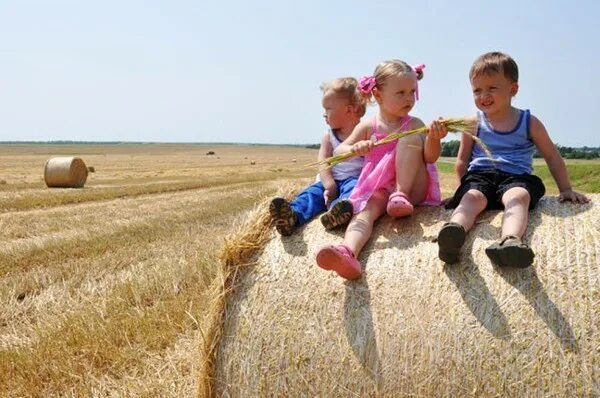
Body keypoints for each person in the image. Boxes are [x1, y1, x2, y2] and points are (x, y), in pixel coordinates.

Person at [438, 51, 590, 268]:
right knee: (471, 198)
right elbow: (462, 161)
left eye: (492, 88)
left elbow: (552, 156)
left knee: (518, 197)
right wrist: (459, 192)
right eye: (477, 90)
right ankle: (453, 233)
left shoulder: (529, 122)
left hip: (515, 178)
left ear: (513, 89)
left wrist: (566, 188)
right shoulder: (472, 123)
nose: (483, 95)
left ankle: (510, 242)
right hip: (480, 177)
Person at [315, 59, 446, 280]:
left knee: (410, 140)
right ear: (377, 95)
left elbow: (430, 157)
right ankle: (348, 252)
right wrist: (355, 147)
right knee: (363, 214)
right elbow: (339, 152)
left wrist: (434, 139)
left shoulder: (414, 124)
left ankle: (400, 195)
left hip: (413, 188)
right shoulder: (368, 125)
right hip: (381, 189)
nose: (409, 98)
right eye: (401, 92)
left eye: (412, 92)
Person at [270, 77, 366, 236]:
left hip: (354, 180)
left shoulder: (366, 132)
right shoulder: (329, 137)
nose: (324, 114)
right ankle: (292, 215)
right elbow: (323, 162)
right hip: (328, 182)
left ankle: (336, 214)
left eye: (328, 109)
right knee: (311, 195)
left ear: (348, 110)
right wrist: (329, 185)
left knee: (353, 192)